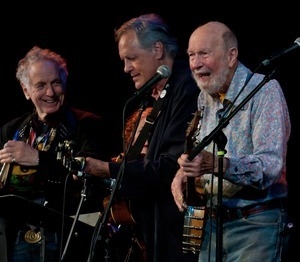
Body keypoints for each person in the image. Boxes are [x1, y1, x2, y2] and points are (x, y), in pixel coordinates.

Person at [82, 13, 200, 262]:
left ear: (158, 49)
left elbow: (169, 165)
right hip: (149, 233)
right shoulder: (151, 98)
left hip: (176, 235)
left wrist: (107, 169)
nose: (126, 68)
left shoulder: (186, 89)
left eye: (131, 58)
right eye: (124, 60)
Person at [171, 21, 291, 261]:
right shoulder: (205, 96)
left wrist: (217, 165)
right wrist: (183, 174)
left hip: (254, 225)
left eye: (204, 53)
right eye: (191, 55)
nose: (195, 64)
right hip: (212, 224)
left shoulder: (264, 91)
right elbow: (201, 152)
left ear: (231, 55)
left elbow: (269, 167)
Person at [0, 46, 111, 262]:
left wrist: (38, 159)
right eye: (40, 85)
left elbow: (92, 175)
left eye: (56, 83)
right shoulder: (11, 130)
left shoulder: (87, 124)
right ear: (25, 90)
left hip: (67, 234)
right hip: (18, 236)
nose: (50, 93)